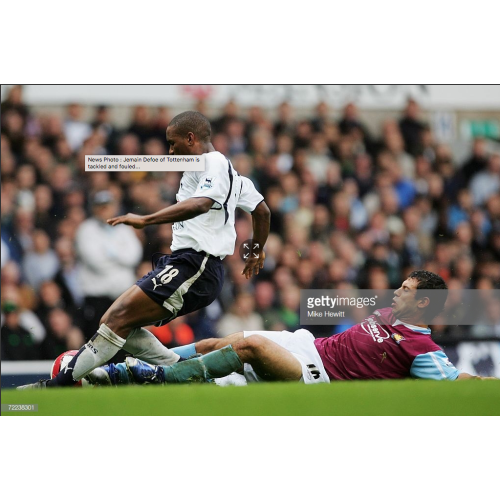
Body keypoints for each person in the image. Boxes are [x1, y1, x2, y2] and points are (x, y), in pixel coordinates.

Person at [18, 111, 270, 389]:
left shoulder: (215, 162)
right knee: (115, 320)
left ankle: (55, 387)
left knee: (117, 319)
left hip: (196, 266)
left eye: (173, 143)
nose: (170, 150)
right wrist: (256, 250)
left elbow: (201, 203)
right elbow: (262, 211)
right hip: (187, 265)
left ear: (191, 138)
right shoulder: (230, 176)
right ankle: (182, 372)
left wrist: (145, 219)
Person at [92, 270, 496, 386]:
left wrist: (483, 382)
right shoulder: (390, 313)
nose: (396, 293)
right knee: (220, 340)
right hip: (309, 345)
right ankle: (130, 366)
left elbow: (453, 380)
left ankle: (153, 375)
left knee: (250, 349)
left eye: (406, 291)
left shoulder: (422, 349)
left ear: (424, 303)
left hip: (318, 376)